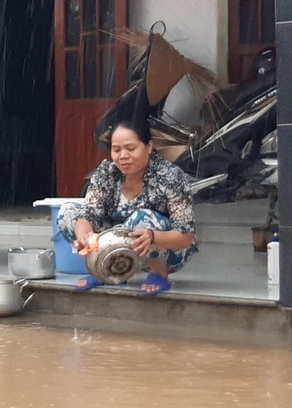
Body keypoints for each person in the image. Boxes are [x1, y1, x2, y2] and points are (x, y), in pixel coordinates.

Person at [56, 119, 197, 296]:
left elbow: (185, 237)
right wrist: (85, 237)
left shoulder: (170, 176)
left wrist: (152, 237)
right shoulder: (107, 172)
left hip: (168, 251)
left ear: (149, 147)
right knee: (68, 212)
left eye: (130, 149)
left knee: (142, 218)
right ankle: (107, 269)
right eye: (116, 150)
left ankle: (158, 272)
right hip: (119, 244)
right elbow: (88, 214)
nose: (123, 155)